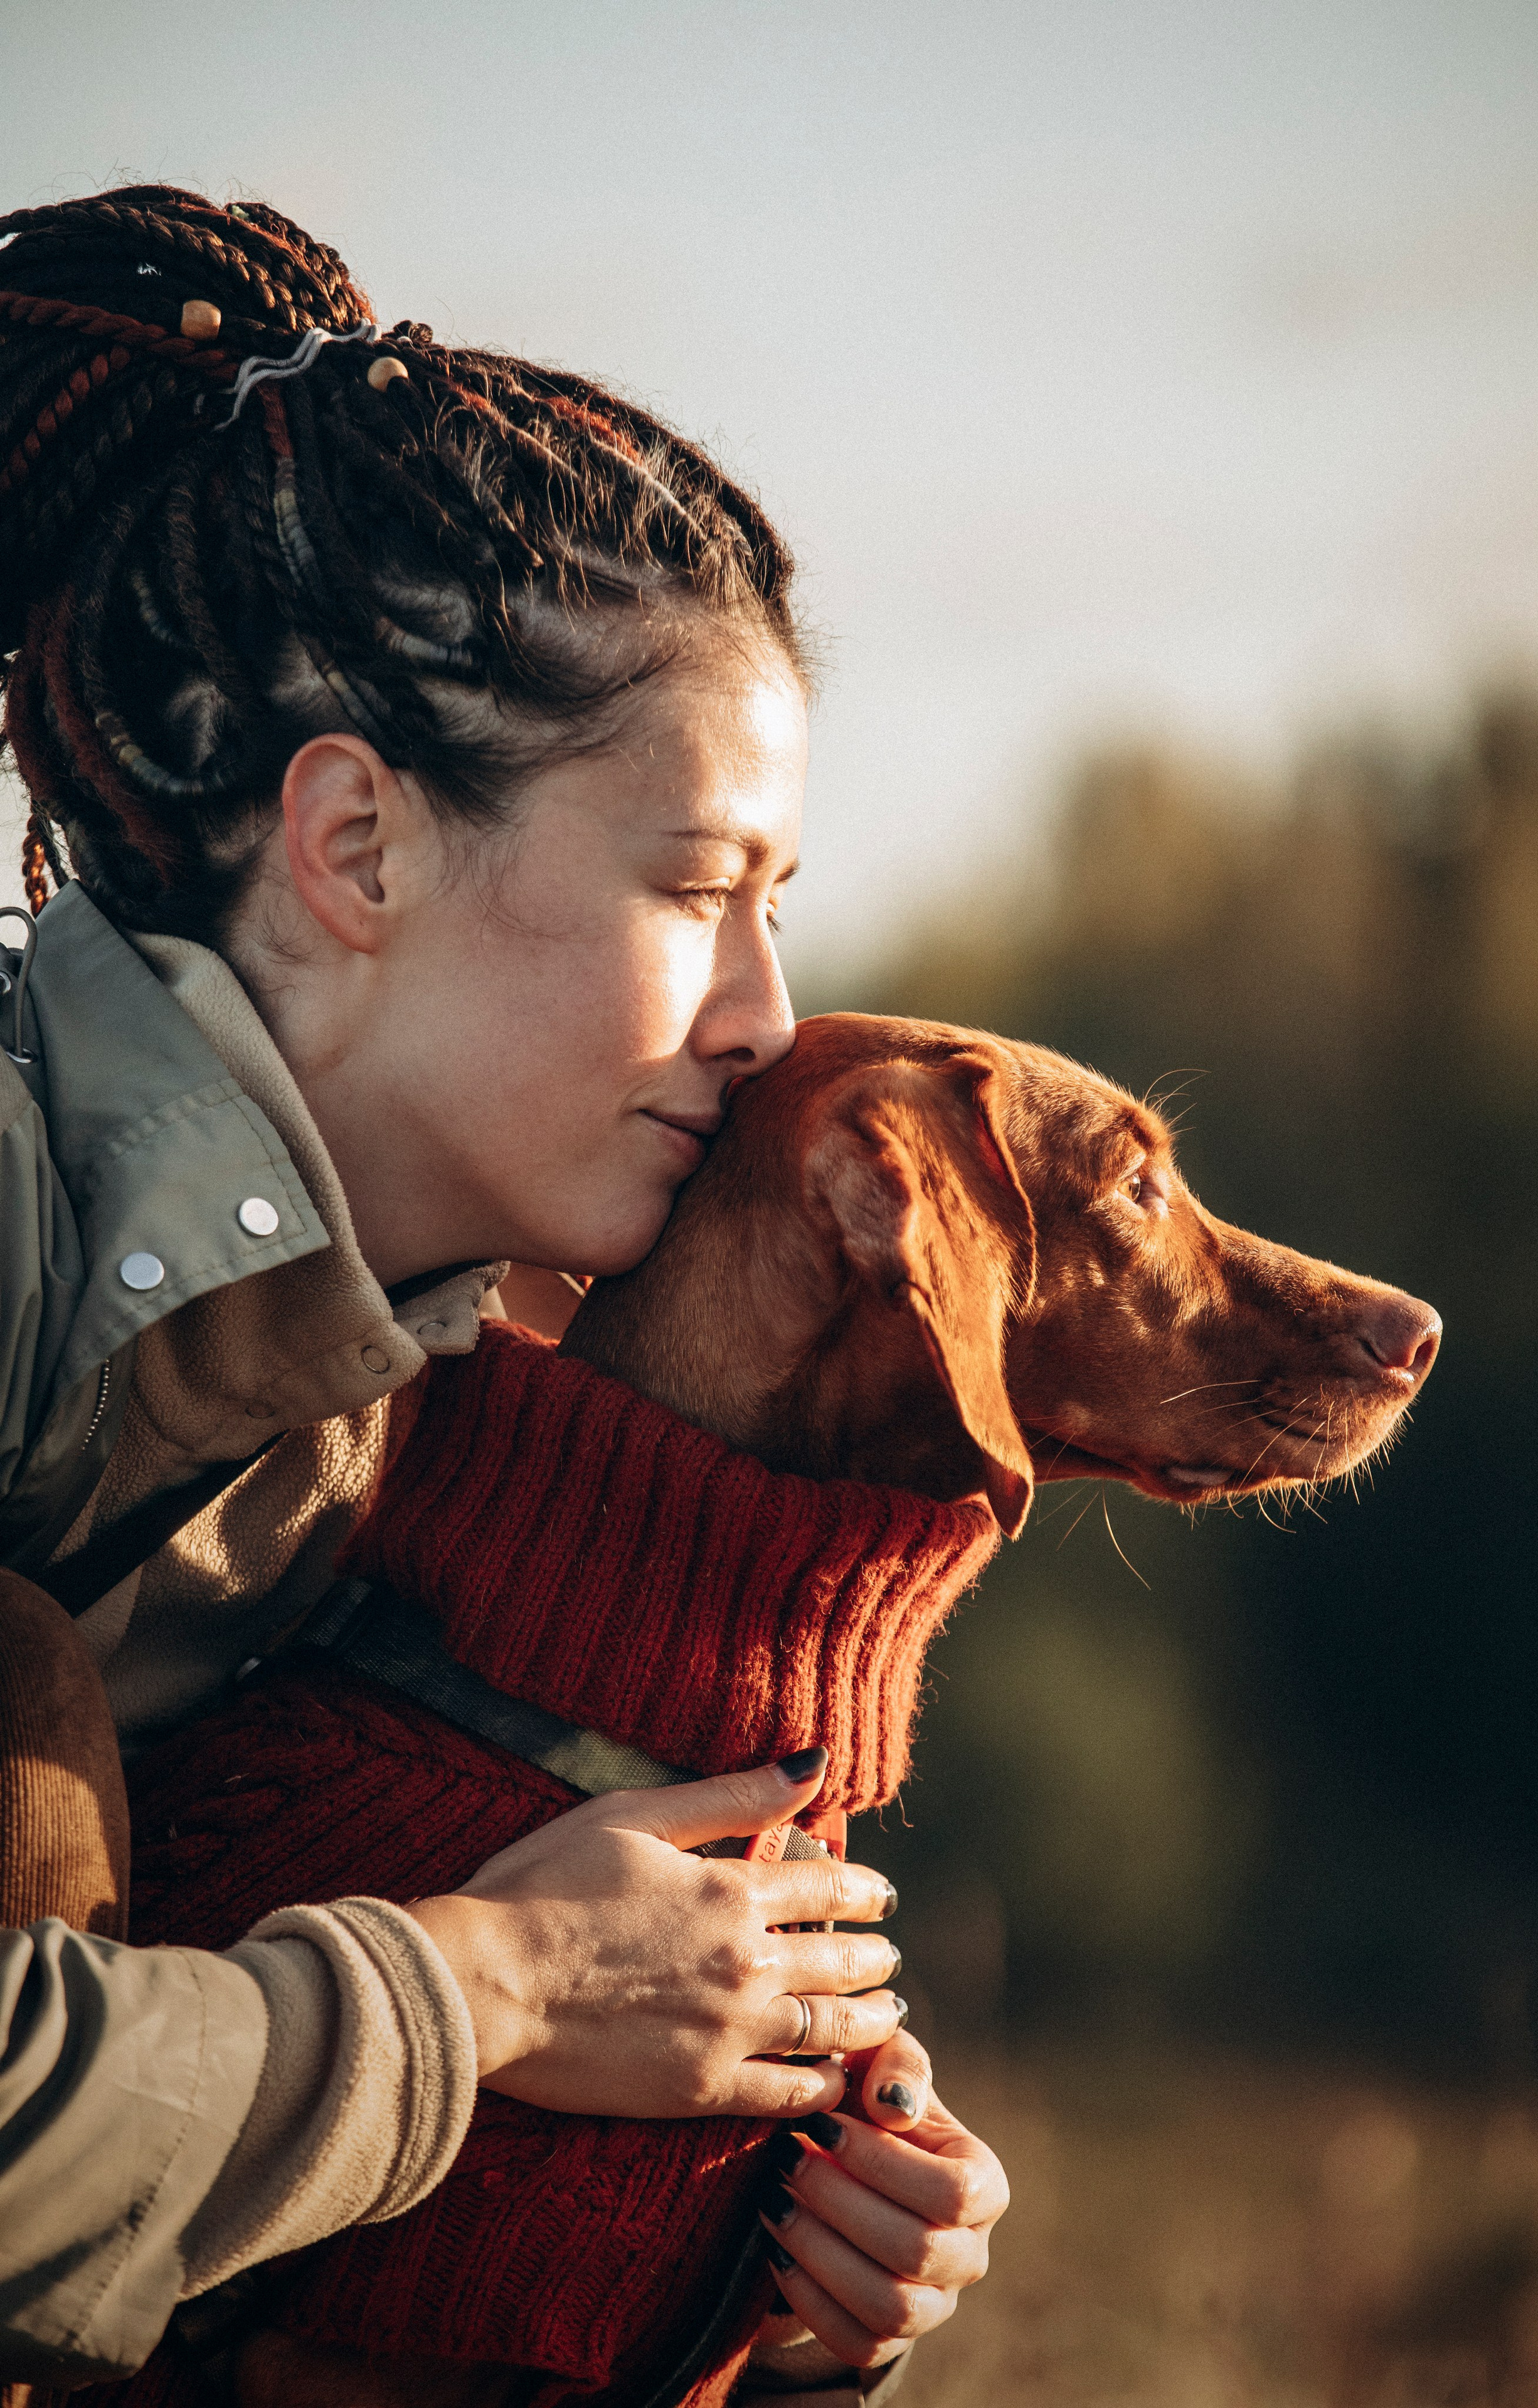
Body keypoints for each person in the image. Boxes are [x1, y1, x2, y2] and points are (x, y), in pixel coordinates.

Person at [0, 187, 1005, 2398]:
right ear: (356, 846)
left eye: (785, 912)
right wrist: (501, 1992)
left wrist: (758, 2225)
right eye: (699, 889)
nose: (764, 1017)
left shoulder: (446, 1416)